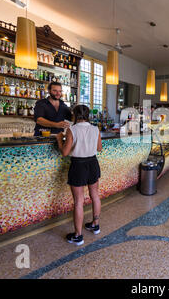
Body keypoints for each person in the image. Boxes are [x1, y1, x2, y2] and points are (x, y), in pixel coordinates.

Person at [56, 105, 102, 246]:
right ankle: (95, 224)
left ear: (74, 115)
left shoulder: (72, 130)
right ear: (88, 115)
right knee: (95, 195)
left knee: (79, 201)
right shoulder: (95, 129)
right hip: (93, 163)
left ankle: (78, 235)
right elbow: (99, 148)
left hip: (78, 166)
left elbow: (64, 152)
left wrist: (59, 139)